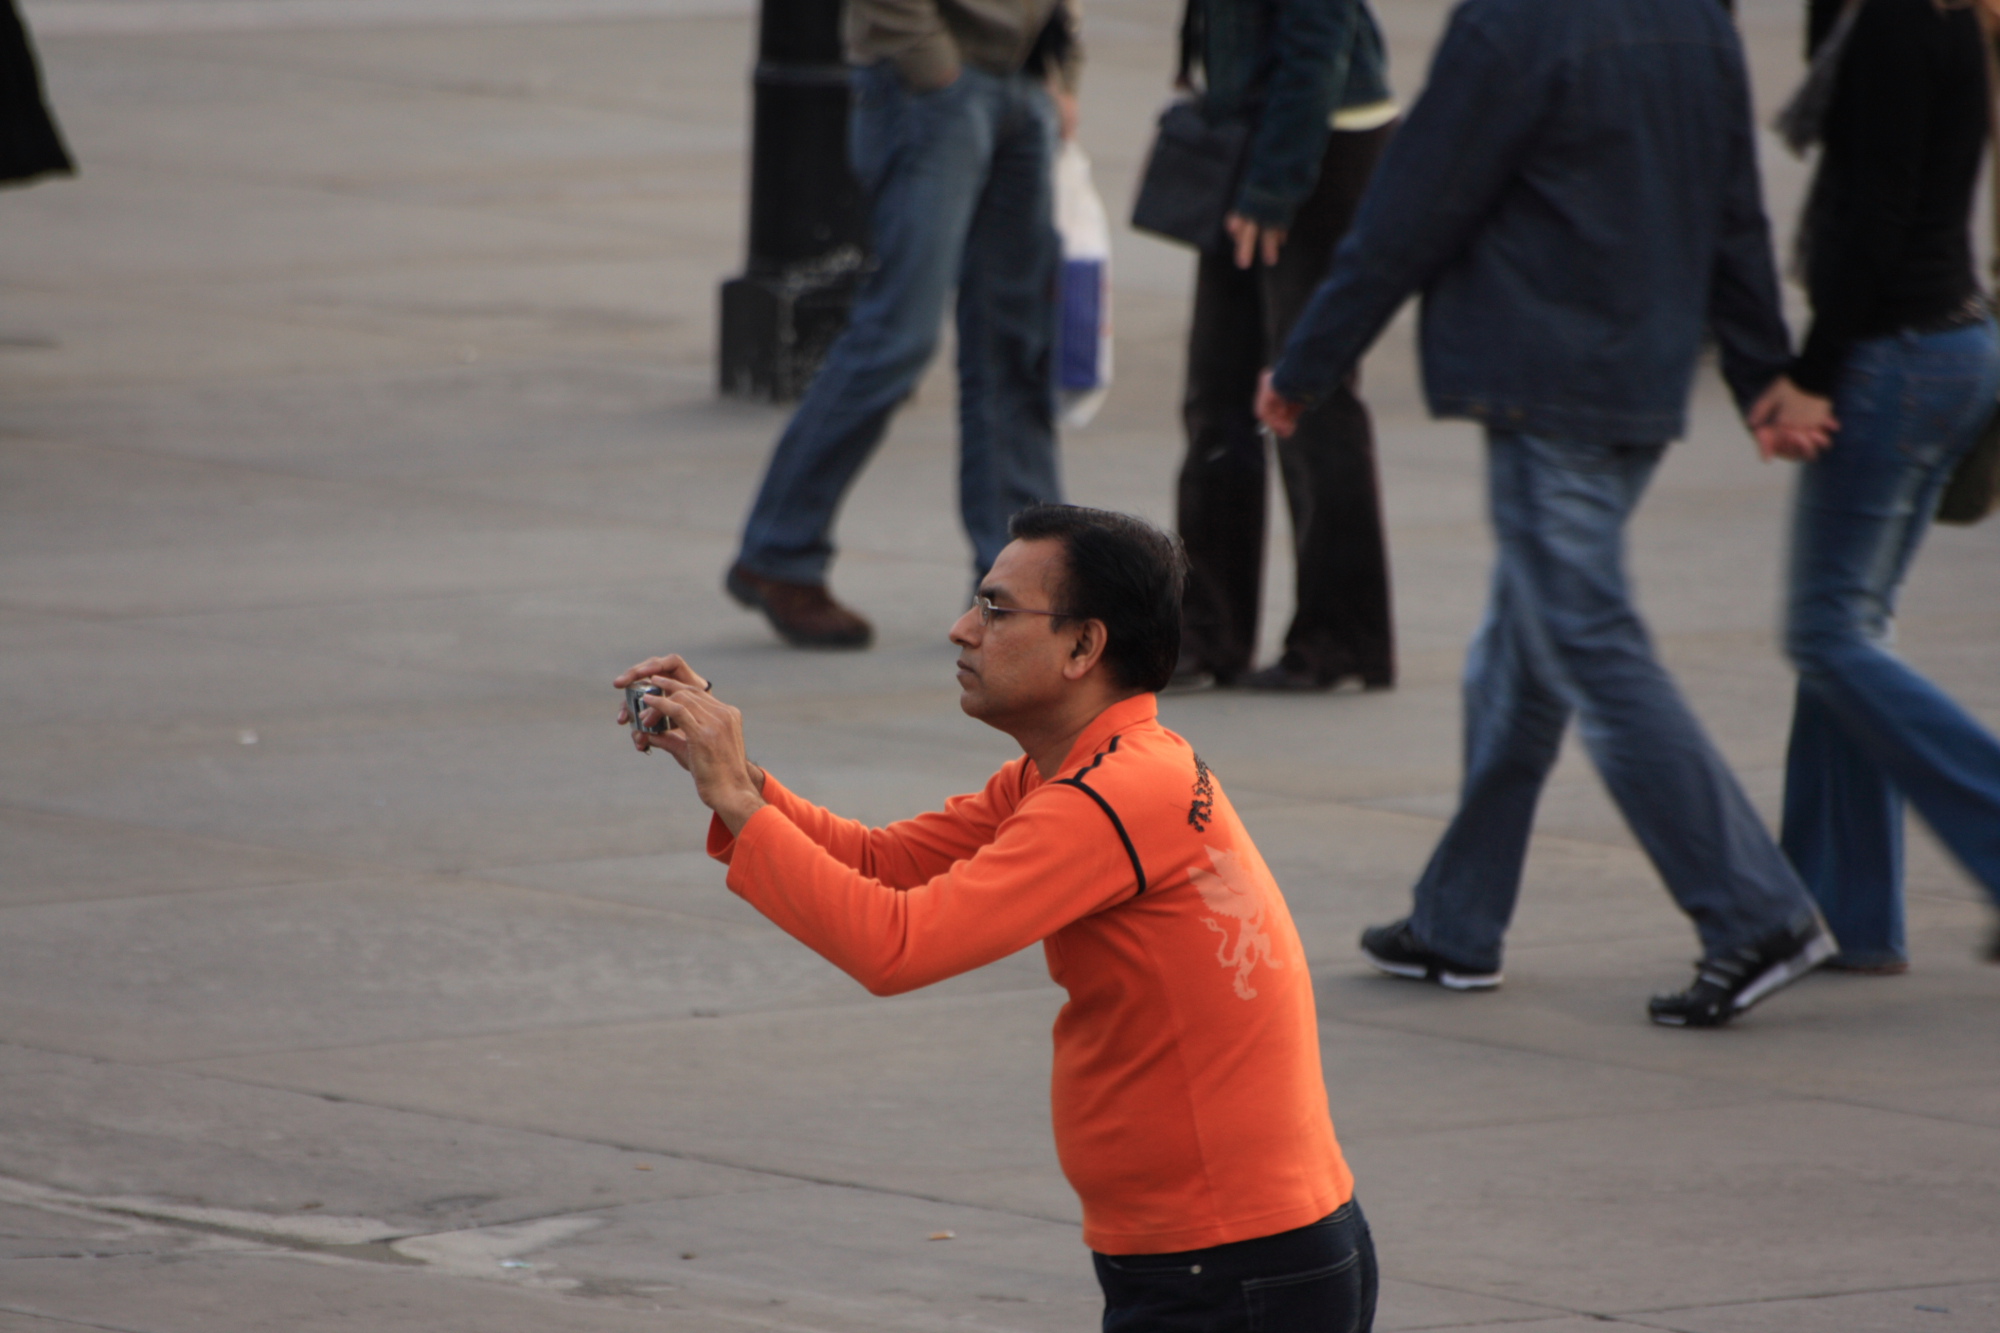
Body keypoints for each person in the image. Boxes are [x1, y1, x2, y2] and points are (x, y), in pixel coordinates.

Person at [617, 505, 1377, 1331]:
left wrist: (735, 797)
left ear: (1084, 646)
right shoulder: (1090, 766)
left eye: (996, 609)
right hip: (1236, 1255)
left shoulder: (1110, 795)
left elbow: (894, 946)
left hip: (1235, 1269)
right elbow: (881, 863)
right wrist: (736, 776)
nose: (961, 629)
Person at [1255, 0, 1837, 1027]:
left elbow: (1410, 208)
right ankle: (1455, 922)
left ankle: (1752, 909)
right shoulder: (1697, 18)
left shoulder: (1514, 23)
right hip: (1637, 381)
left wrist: (1307, 359)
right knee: (1520, 654)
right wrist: (1757, 366)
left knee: (1586, 644)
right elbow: (1731, 201)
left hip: (1541, 383)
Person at [1759, 0, 2000, 971]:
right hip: (1941, 342)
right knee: (1845, 636)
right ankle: (1839, 906)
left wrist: (1807, 373)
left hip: (1897, 353)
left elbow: (1871, 215)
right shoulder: (1920, 14)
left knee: (1823, 631)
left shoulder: (1899, 21)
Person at [723, 0, 1080, 650]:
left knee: (1014, 345)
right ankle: (779, 551)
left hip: (1021, 77)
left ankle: (1021, 583)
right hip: (933, 85)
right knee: (897, 337)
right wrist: (931, 63)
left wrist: (1058, 70)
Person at [1171, 0, 1400, 691]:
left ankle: (1341, 637)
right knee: (1218, 392)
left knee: (1308, 398)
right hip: (1254, 129)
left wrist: (1274, 186)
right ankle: (1208, 631)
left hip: (1317, 138)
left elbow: (1319, 40)